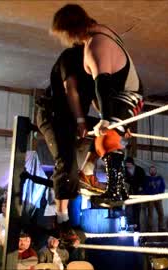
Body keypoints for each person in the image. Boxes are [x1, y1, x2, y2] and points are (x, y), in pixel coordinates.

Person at [51, 3, 144, 207]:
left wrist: (106, 119)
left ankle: (117, 190)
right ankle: (89, 172)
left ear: (70, 30)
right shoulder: (99, 32)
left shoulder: (95, 44)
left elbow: (102, 84)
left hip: (128, 96)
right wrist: (118, 122)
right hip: (121, 97)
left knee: (105, 138)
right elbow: (101, 89)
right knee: (100, 135)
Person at [36, 44, 100, 226]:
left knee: (111, 131)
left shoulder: (95, 69)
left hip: (73, 117)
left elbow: (96, 99)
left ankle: (87, 170)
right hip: (54, 115)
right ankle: (61, 219)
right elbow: (70, 89)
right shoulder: (71, 57)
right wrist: (80, 121)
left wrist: (109, 120)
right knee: (66, 162)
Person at [124, 157, 146, 231]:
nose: (127, 165)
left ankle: (137, 227)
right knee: (128, 210)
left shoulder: (140, 170)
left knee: (137, 210)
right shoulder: (124, 170)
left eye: (128, 164)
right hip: (128, 192)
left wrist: (141, 187)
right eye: (126, 164)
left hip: (137, 193)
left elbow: (143, 180)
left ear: (132, 163)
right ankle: (128, 225)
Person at [145, 165, 165, 231]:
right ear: (149, 171)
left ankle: (161, 227)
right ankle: (150, 228)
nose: (152, 171)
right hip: (150, 198)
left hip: (158, 198)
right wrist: (150, 193)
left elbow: (163, 187)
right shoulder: (147, 179)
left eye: (153, 169)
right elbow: (145, 188)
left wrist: (160, 194)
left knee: (161, 213)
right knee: (150, 213)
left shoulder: (160, 178)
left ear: (156, 171)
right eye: (151, 170)